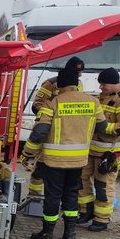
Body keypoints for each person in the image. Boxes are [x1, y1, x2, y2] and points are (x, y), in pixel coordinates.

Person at [20, 69, 120, 239]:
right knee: (71, 195)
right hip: (80, 160)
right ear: (77, 83)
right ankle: (70, 235)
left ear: (59, 85)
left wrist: (28, 154)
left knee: (53, 197)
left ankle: (47, 234)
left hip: (55, 160)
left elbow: (39, 133)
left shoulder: (53, 102)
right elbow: (103, 126)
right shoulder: (93, 102)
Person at [28, 56, 85, 196]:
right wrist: (51, 114)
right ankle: (34, 196)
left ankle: (58, 198)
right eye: (77, 72)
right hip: (48, 128)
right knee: (40, 167)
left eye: (80, 72)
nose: (80, 75)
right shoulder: (50, 83)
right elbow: (36, 105)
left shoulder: (79, 84)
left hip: (68, 130)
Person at [77, 67, 120, 231]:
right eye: (100, 83)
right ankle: (85, 211)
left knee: (103, 185)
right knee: (81, 179)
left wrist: (104, 127)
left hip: (110, 153)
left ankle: (102, 219)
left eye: (104, 84)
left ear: (115, 83)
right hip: (91, 149)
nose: (101, 87)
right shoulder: (99, 98)